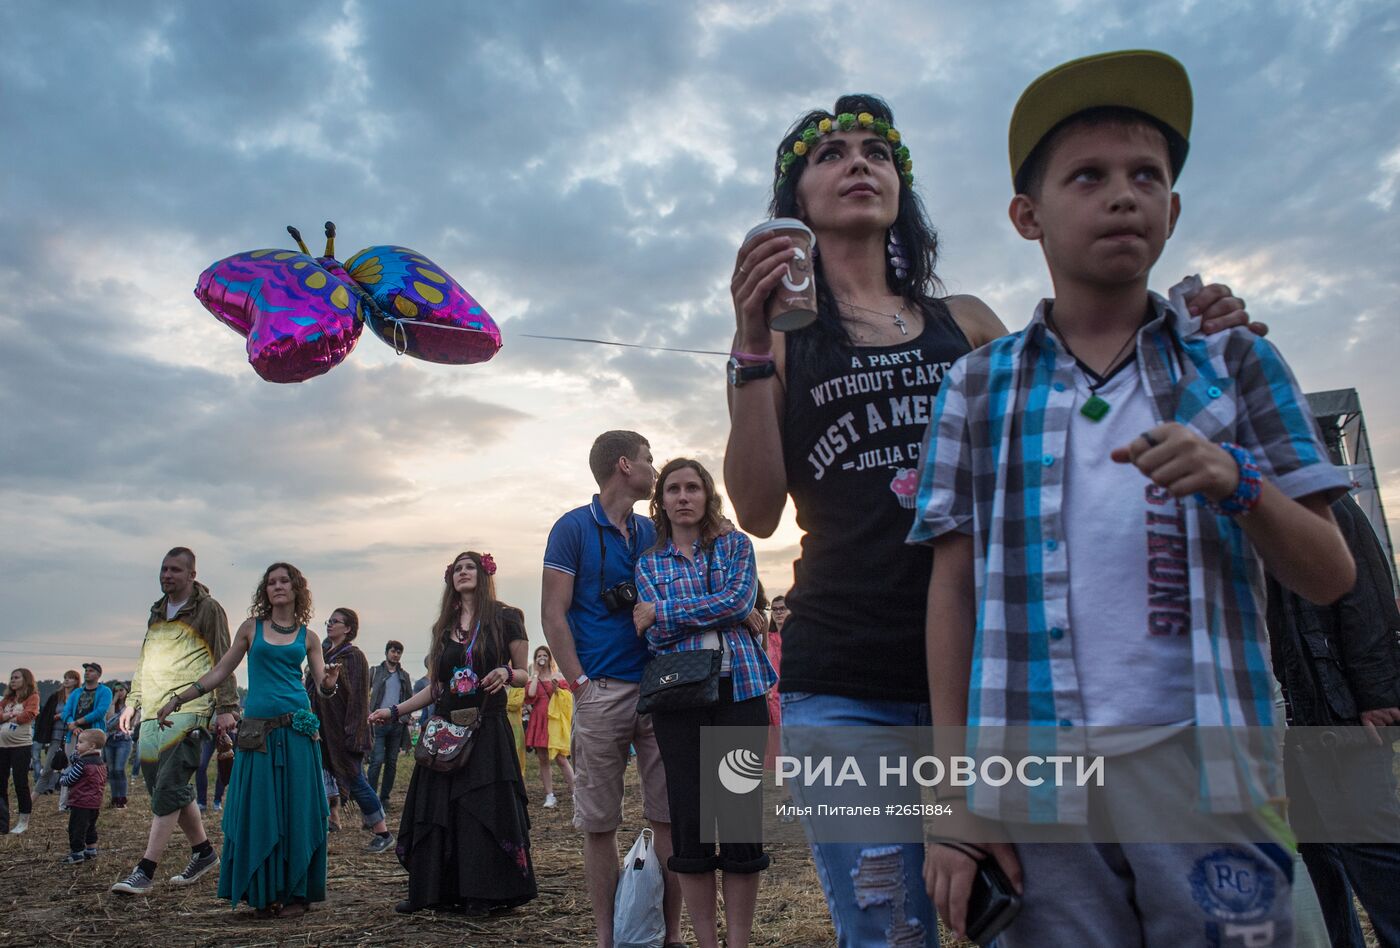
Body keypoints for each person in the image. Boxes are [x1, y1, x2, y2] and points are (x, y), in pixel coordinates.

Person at [722, 88, 1262, 945]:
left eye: (877, 151)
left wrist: (1194, 336)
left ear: (902, 188)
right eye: (831, 154)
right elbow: (754, 510)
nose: (859, 161)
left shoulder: (967, 323)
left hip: (1000, 675)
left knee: (1033, 916)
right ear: (794, 208)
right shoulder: (783, 340)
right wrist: (751, 342)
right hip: (848, 677)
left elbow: (1078, 414)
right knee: (890, 930)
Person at [913, 51, 1357, 945]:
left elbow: (1331, 574)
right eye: (1089, 175)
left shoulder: (1236, 362)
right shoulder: (976, 387)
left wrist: (1241, 484)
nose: (1123, 194)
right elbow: (952, 590)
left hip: (1208, 774)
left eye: (1146, 176)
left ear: (1174, 210)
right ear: (1027, 216)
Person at [541, 429, 683, 948]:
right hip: (600, 690)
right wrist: (579, 685)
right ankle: (608, 939)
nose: (654, 467)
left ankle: (668, 936)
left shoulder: (652, 531)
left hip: (660, 687)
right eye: (649, 458)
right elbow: (553, 615)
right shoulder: (573, 528)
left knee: (667, 816)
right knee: (599, 823)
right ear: (625, 465)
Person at [634, 458, 775, 948]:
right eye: (673, 489)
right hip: (679, 697)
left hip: (740, 689)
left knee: (739, 823)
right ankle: (706, 943)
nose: (683, 496)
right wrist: (716, 613)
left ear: (707, 495)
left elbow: (740, 601)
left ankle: (738, 941)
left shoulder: (736, 545)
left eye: (693, 487)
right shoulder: (649, 563)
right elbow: (655, 635)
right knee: (690, 825)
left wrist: (666, 610)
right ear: (662, 501)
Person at [154, 562, 339, 918]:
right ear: (265, 591)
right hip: (258, 734)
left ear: (297, 588)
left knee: (298, 810)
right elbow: (221, 671)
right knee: (258, 811)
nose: (278, 586)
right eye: (271, 582)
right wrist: (178, 699)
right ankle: (264, 891)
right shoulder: (250, 629)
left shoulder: (309, 637)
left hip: (298, 732)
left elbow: (323, 687)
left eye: (284, 581)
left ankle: (297, 892)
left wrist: (330, 681)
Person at [369, 551, 537, 916]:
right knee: (438, 809)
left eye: (469, 567)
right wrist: (395, 710)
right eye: (457, 568)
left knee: (480, 809)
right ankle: (434, 892)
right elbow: (436, 687)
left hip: (487, 726)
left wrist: (507, 675)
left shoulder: (507, 618)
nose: (463, 573)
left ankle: (482, 892)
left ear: (483, 573)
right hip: (445, 731)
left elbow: (524, 673)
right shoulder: (443, 628)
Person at [1268, 492, 1400, 947]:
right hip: (1277, 710)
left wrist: (1378, 695)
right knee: (1312, 851)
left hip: (1333, 705)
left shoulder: (1323, 499)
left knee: (1369, 842)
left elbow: (1369, 597)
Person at [112, 547, 238, 896]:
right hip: (154, 710)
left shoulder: (208, 609)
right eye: (164, 569)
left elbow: (223, 656)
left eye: (176, 570)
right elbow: (145, 661)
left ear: (191, 575)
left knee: (168, 784)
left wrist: (227, 705)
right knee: (165, 787)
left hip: (191, 710)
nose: (167, 575)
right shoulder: (157, 612)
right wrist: (133, 702)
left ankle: (145, 869)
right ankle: (204, 852)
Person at [311, 607, 394, 852]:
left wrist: (354, 733)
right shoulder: (323, 653)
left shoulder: (354, 657)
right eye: (329, 621)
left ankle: (383, 832)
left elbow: (358, 699)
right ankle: (325, 823)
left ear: (348, 628)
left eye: (335, 622)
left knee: (356, 781)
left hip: (345, 732)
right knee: (323, 778)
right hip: (325, 730)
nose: (329, 625)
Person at [525, 645, 575, 808]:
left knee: (561, 758)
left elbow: (568, 698)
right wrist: (536, 674)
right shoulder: (533, 677)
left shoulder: (558, 676)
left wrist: (556, 689)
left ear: (549, 657)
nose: (542, 658)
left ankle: (576, 793)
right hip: (539, 720)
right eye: (539, 655)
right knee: (543, 759)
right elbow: (531, 695)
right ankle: (549, 795)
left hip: (554, 721)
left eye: (544, 655)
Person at [368, 639, 412, 805]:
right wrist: (369, 714)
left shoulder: (404, 676)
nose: (396, 654)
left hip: (396, 723)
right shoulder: (375, 672)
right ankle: (371, 798)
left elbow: (409, 698)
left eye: (399, 652)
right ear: (387, 652)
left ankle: (384, 798)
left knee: (392, 763)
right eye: (393, 651)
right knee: (376, 761)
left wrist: (404, 718)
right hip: (378, 722)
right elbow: (365, 694)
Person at [58, 728, 107, 862]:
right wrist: (77, 754)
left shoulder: (83, 764)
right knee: (90, 827)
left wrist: (62, 779)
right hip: (95, 802)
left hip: (81, 802)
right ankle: (91, 849)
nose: (77, 745)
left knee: (76, 828)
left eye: (80, 742)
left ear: (91, 746)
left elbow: (70, 779)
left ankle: (77, 853)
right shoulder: (100, 762)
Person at [2, 668, 40, 835]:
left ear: (26, 680)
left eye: (16, 677)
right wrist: (10, 715)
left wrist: (7, 716)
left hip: (20, 746)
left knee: (20, 783)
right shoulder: (7, 699)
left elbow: (28, 715)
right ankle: (2, 824)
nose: (13, 680)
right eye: (11, 677)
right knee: (0, 784)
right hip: (2, 747)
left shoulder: (33, 697)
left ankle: (23, 821)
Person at [34, 669, 79, 795]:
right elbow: (47, 715)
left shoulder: (79, 696)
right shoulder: (56, 696)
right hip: (56, 736)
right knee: (48, 768)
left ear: (76, 681)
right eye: (65, 677)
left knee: (71, 768)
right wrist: (58, 716)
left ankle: (66, 800)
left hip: (72, 736)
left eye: (70, 677)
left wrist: (64, 715)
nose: (66, 680)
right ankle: (32, 799)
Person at [762, 595, 787, 770]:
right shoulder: (768, 639)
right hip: (772, 695)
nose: (778, 612)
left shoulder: (796, 637)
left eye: (782, 608)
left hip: (790, 692)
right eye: (775, 609)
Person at [103, 684, 132, 808]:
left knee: (119, 769)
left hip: (123, 740)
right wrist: (113, 701)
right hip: (109, 741)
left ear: (127, 691)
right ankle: (115, 798)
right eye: (116, 690)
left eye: (121, 690)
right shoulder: (112, 706)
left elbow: (126, 723)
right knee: (112, 770)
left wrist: (113, 723)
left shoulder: (129, 707)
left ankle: (122, 798)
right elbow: (108, 720)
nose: (118, 693)